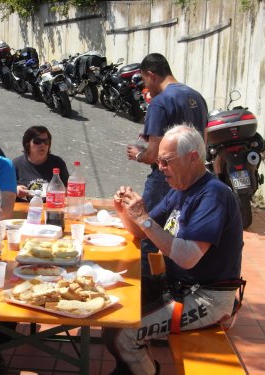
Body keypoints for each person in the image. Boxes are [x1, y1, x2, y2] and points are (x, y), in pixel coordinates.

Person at [104, 125, 244, 375]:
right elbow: (140, 231)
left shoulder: (213, 195)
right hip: (176, 286)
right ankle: (134, 368)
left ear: (192, 158)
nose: (160, 168)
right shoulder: (179, 189)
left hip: (207, 299)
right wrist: (123, 210)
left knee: (125, 335)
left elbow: (187, 257)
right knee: (114, 311)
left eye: (166, 161)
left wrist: (143, 218)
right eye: (158, 161)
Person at [127, 53, 208, 212]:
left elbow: (152, 156)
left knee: (147, 228)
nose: (146, 87)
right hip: (195, 179)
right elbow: (203, 139)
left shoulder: (159, 102)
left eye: (145, 81)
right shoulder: (197, 97)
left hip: (166, 180)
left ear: (151, 75)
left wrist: (137, 154)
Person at [12, 125, 69, 201]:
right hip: (24, 210)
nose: (42, 145)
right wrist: (15, 189)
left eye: (46, 142)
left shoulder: (57, 163)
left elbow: (69, 190)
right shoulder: (16, 164)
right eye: (37, 141)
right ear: (27, 144)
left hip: (50, 208)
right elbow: (4, 190)